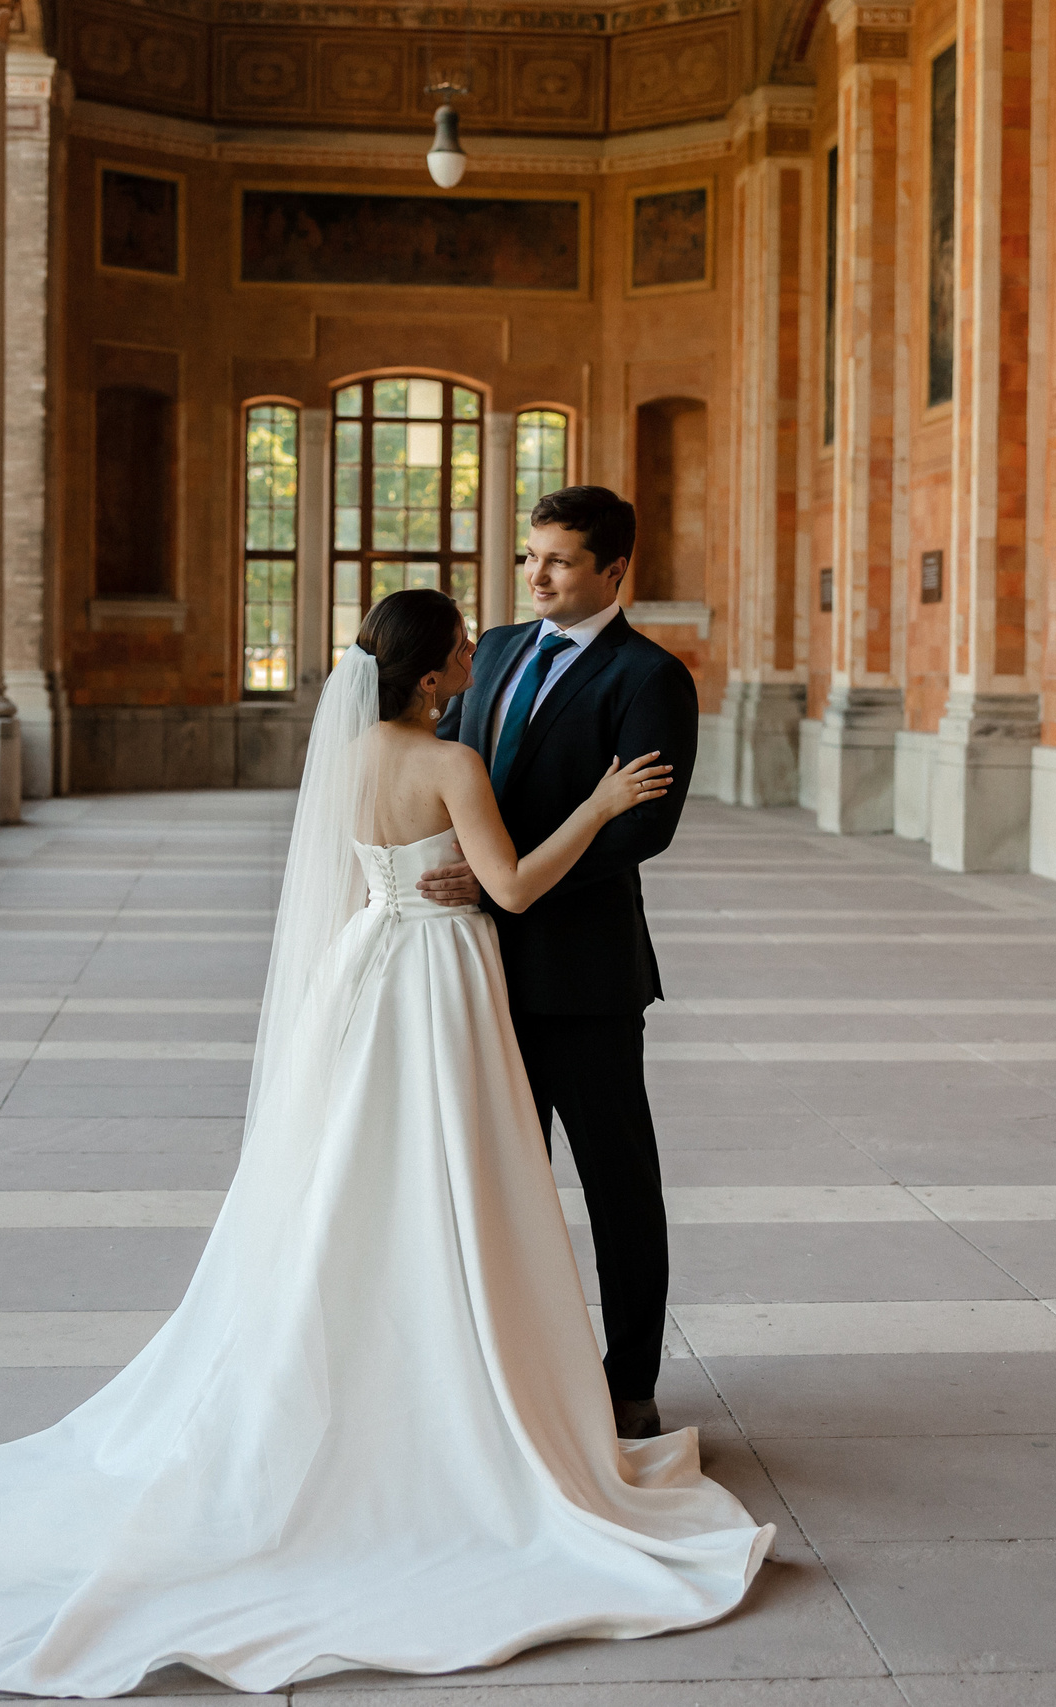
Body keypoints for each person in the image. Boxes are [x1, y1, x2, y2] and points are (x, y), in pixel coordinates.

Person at [0, 588, 770, 1699]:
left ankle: (378, 1359)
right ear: (440, 674)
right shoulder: (452, 767)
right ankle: (460, 1379)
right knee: (458, 1184)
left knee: (362, 1181)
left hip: (369, 969)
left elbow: (362, 879)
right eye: (459, 649)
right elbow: (512, 886)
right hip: (442, 982)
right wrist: (593, 804)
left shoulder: (349, 757)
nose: (474, 654)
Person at [425, 485, 699, 1442]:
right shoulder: (495, 649)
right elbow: (451, 770)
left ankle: (631, 1381)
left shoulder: (649, 677)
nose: (535, 576)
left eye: (559, 561)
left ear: (615, 570)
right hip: (471, 968)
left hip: (583, 978)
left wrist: (512, 879)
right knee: (493, 1179)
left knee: (618, 1186)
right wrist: (462, 872)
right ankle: (503, 1366)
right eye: (529, 556)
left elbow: (645, 831)